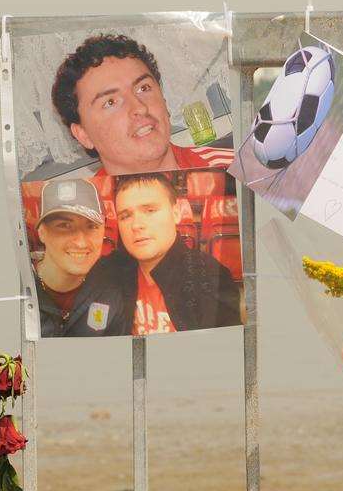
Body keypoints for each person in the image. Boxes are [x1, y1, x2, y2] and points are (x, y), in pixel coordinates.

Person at [51, 34, 234, 177]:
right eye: (111, 102)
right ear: (83, 135)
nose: (139, 107)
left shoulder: (237, 173)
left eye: (143, 88)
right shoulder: (80, 220)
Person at [112, 172, 240, 334]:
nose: (136, 225)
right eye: (125, 216)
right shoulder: (109, 272)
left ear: (176, 213)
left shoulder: (212, 278)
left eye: (150, 210)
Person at [34, 179, 130, 337]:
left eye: (91, 226)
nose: (80, 242)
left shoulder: (111, 293)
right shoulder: (16, 291)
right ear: (42, 232)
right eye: (64, 225)